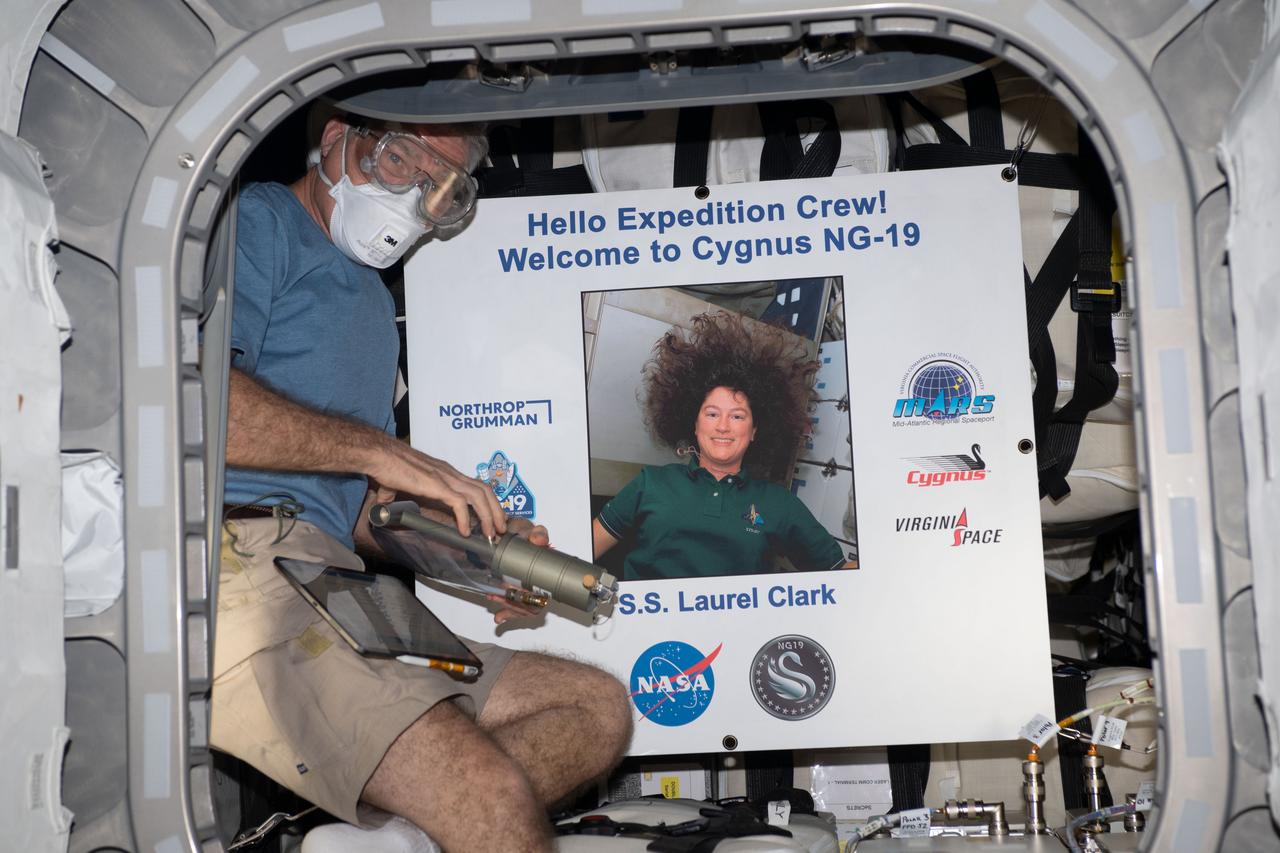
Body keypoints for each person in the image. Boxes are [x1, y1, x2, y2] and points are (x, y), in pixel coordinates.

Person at [213, 113, 631, 852]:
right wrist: (385, 453)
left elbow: (360, 514)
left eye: (443, 186)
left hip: (331, 578)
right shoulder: (260, 221)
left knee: (594, 711)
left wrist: (478, 558)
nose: (417, 196)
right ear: (336, 138)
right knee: (488, 793)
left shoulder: (374, 306)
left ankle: (394, 838)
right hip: (235, 562)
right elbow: (200, 406)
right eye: (402, 160)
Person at [592, 311, 851, 580]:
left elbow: (842, 574)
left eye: (737, 416)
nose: (723, 426)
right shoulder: (651, 483)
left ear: (754, 431)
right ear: (694, 424)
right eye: (712, 414)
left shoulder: (779, 504)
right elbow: (581, 552)